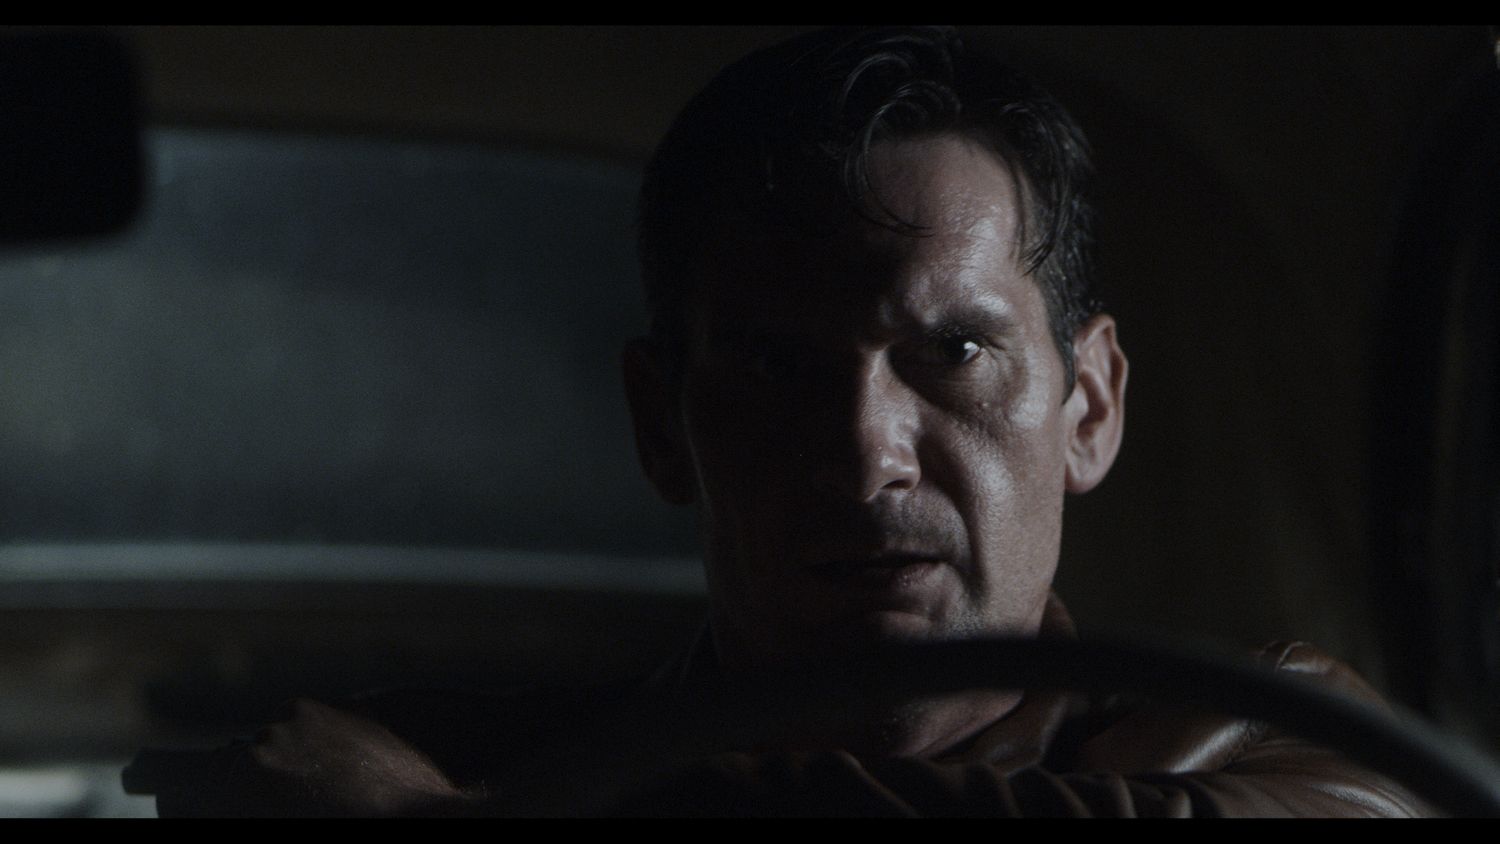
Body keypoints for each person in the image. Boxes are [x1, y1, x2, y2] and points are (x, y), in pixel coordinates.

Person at [141, 27, 1432, 817]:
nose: (866, 454)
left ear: (1087, 407)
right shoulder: (414, 755)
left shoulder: (1285, 741)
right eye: (772, 366)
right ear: (662, 424)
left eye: (953, 353)